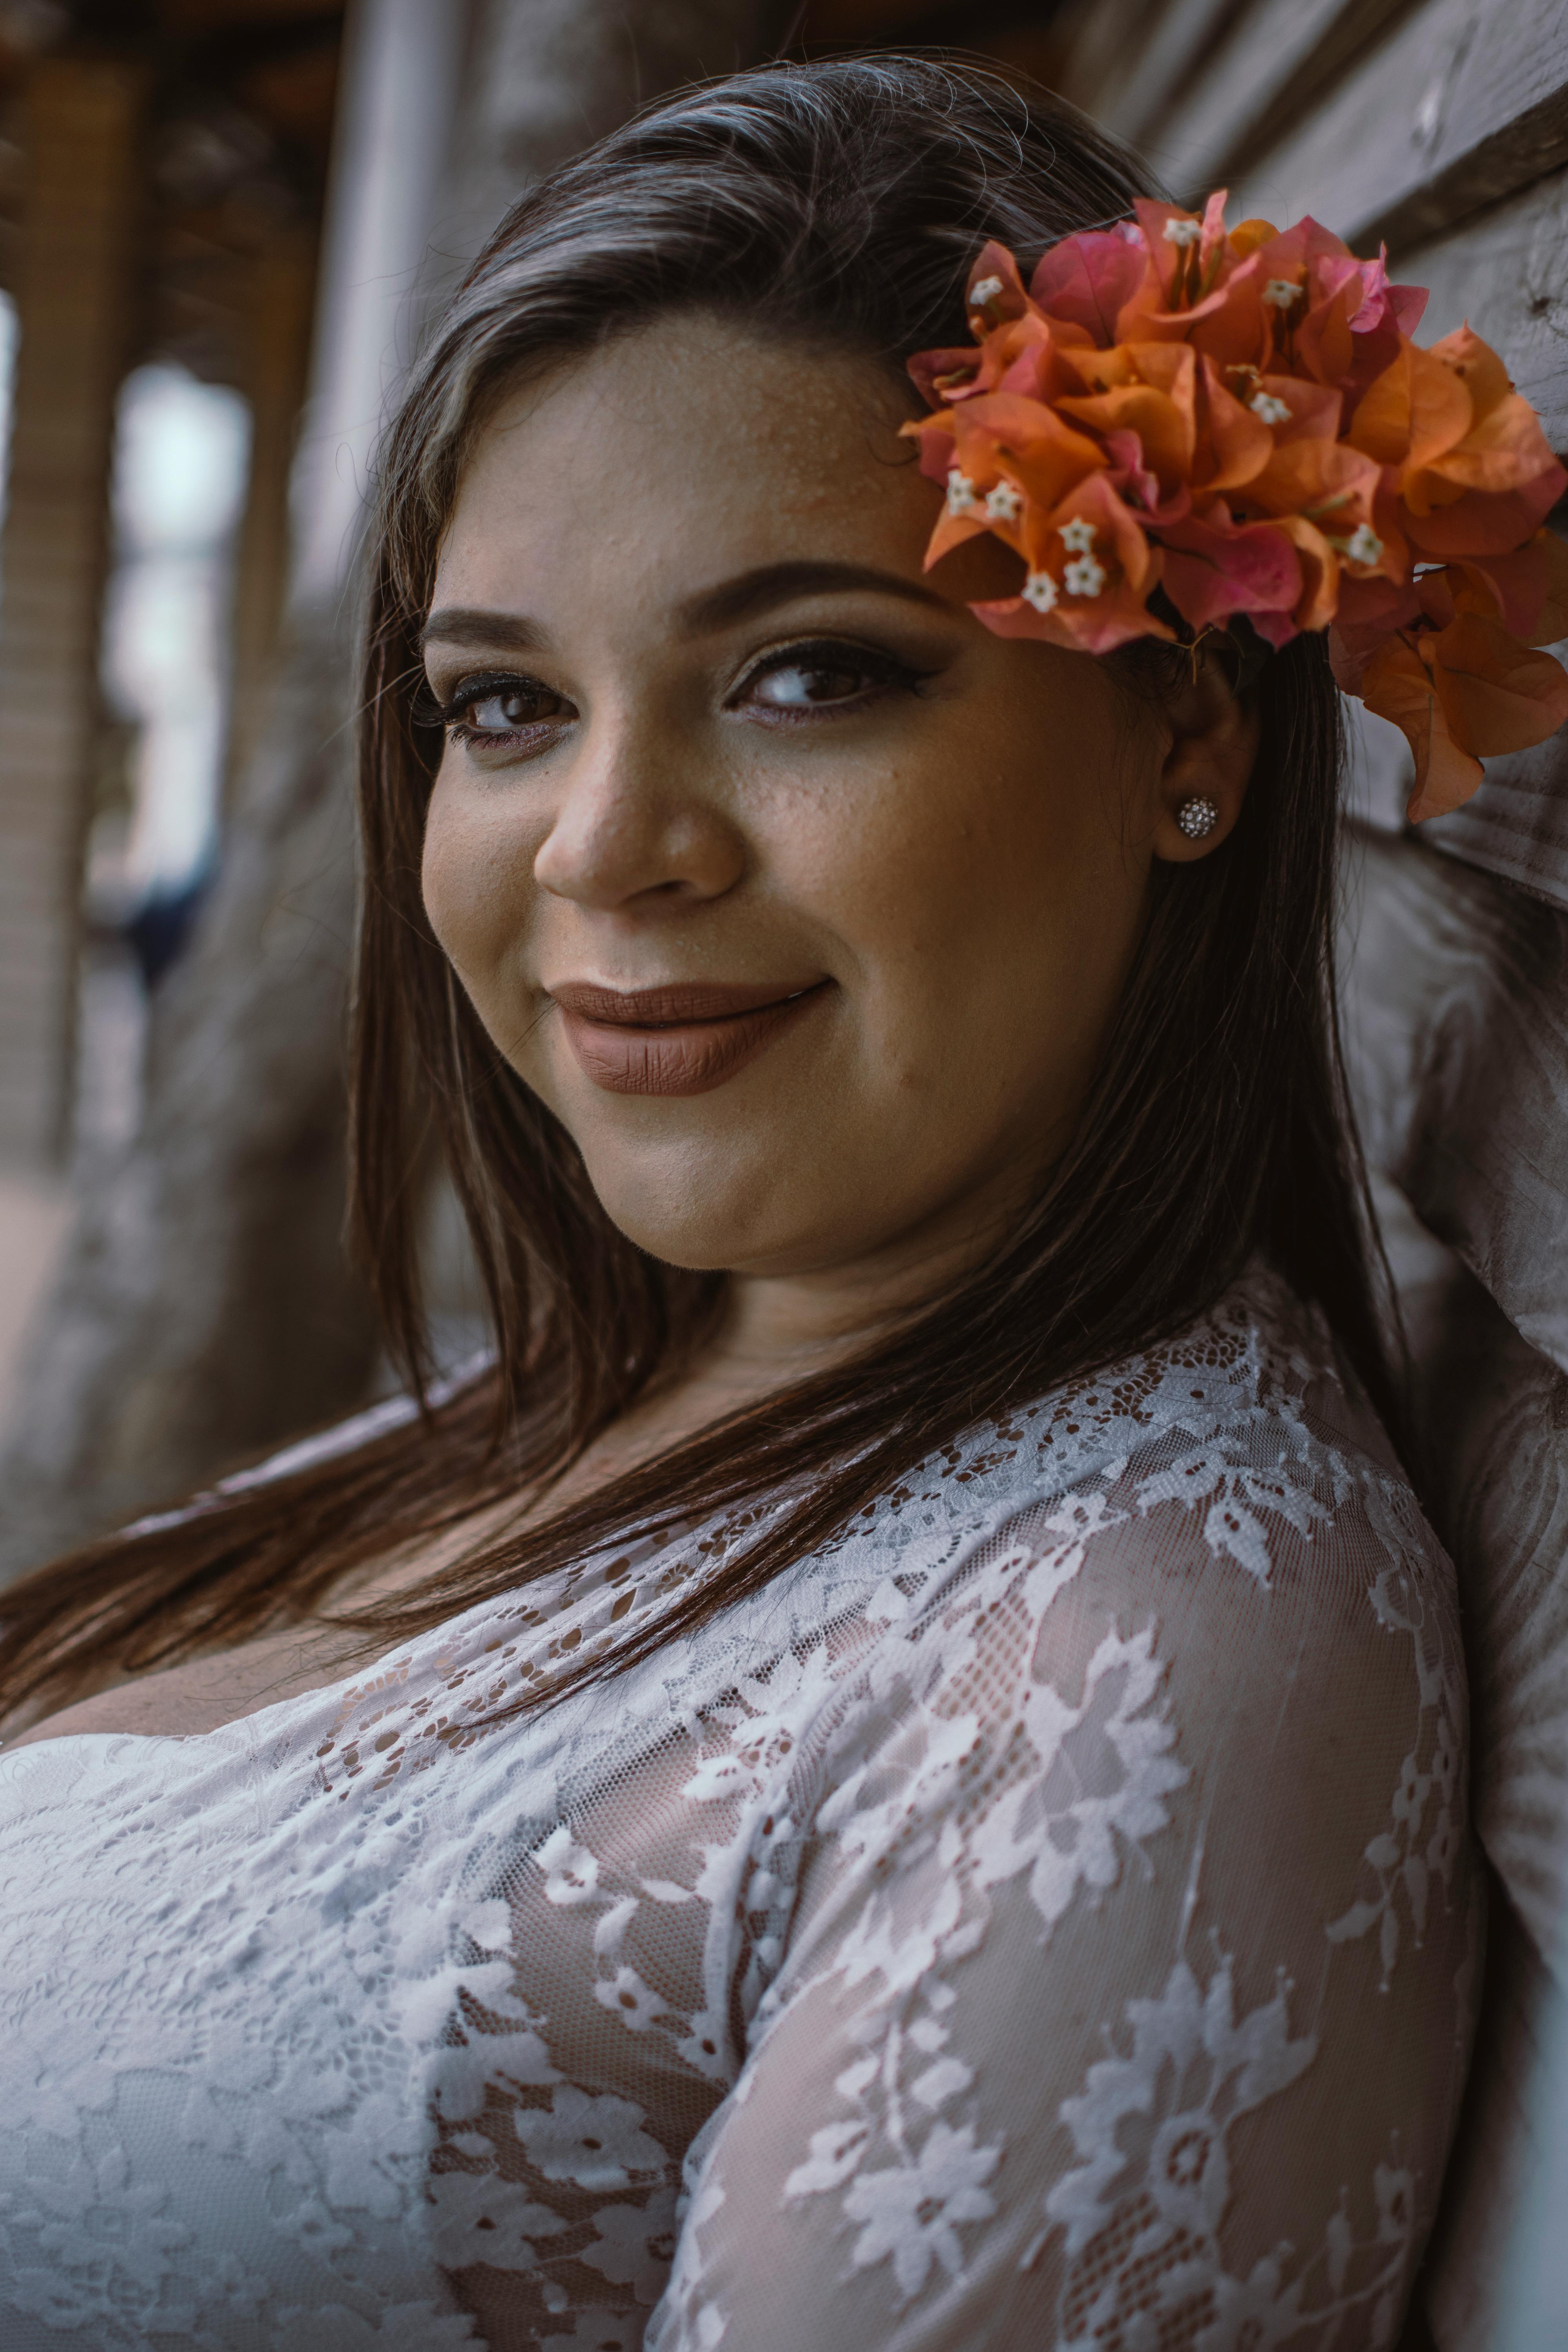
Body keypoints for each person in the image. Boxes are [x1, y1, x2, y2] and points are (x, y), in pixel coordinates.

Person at [0, 55, 1484, 2352]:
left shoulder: (1139, 1670)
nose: (604, 846)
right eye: (503, 709)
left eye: (807, 675)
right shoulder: (600, 1390)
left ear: (1190, 728)